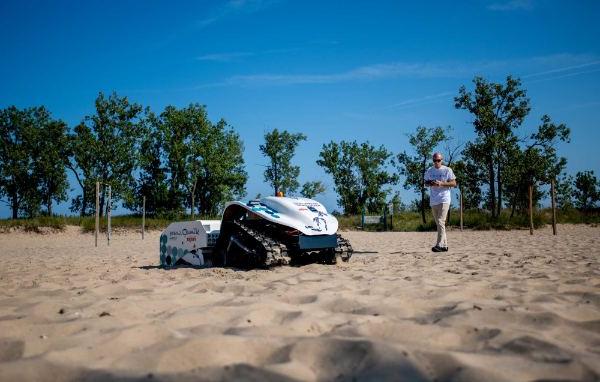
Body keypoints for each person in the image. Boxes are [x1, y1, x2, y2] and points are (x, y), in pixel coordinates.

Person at [424, 152, 456, 252]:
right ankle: (445, 246)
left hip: (444, 199)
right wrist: (432, 182)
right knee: (439, 224)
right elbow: (425, 182)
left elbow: (454, 183)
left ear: (442, 160)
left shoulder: (447, 170)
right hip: (434, 200)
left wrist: (441, 183)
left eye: (438, 160)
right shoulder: (429, 170)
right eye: (434, 160)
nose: (436, 162)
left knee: (441, 221)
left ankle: (439, 244)